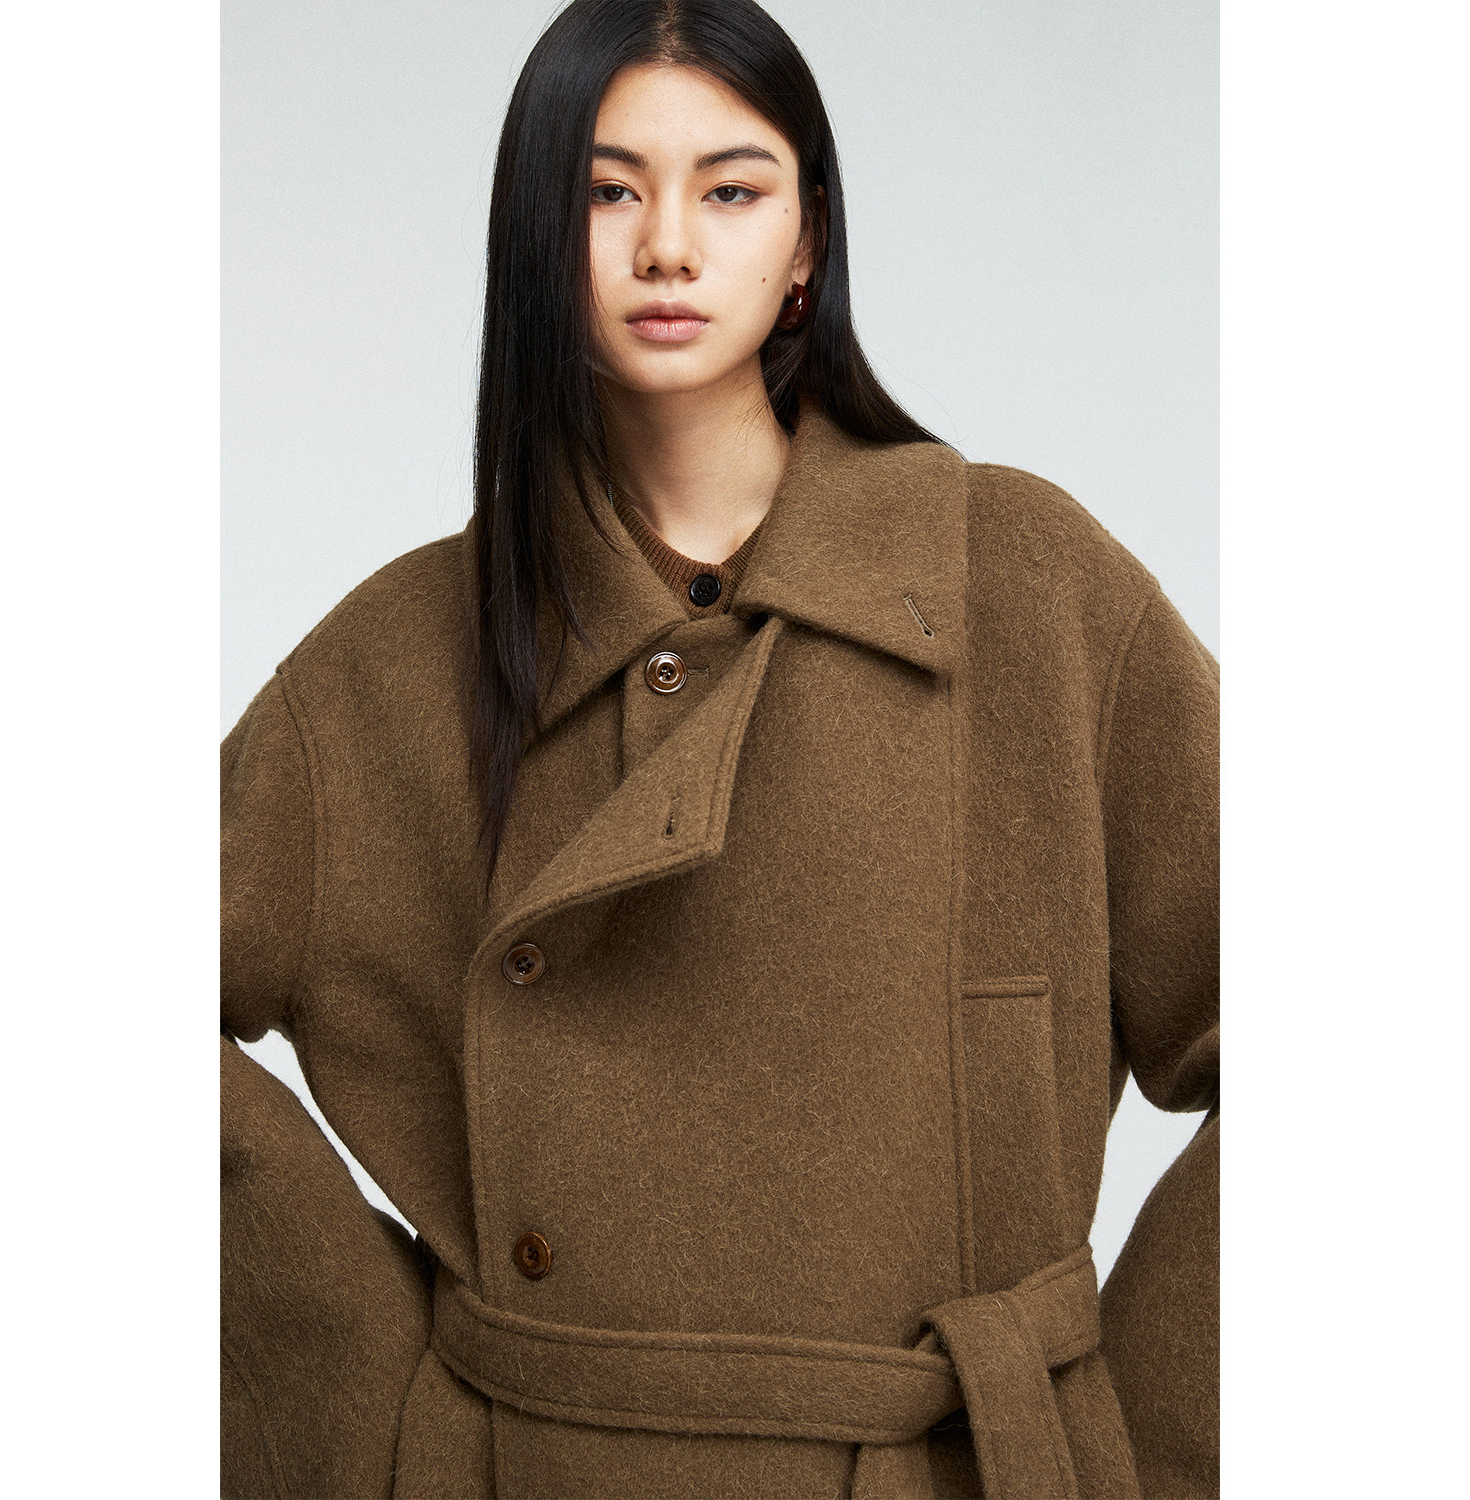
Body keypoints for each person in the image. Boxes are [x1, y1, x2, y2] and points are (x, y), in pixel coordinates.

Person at [220, 1, 1218, 1496]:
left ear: (808, 238)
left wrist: (1119, 1439)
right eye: (606, 191)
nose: (669, 246)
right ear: (533, 239)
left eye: (732, 189)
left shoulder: (1026, 588)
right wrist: (360, 1399)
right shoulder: (397, 659)